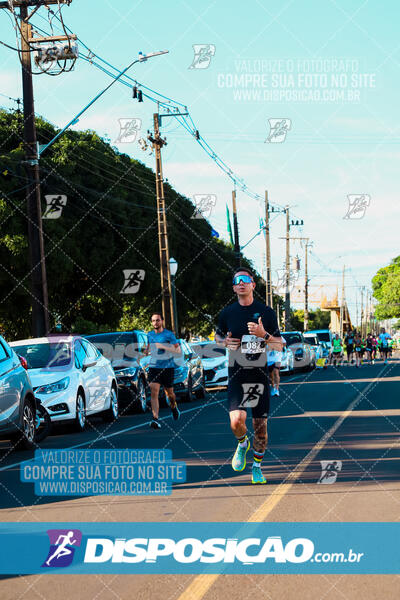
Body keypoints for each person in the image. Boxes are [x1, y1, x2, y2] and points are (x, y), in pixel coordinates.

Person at [215, 267, 283, 485]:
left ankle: (257, 467)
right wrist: (224, 342)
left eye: (245, 279)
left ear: (253, 284)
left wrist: (264, 334)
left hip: (258, 375)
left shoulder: (266, 312)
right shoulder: (227, 313)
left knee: (260, 429)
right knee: (236, 421)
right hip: (236, 372)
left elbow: (280, 346)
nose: (241, 283)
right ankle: (242, 443)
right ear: (234, 287)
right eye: (237, 281)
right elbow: (217, 337)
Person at [146, 313, 181, 429]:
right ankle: (155, 419)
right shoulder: (149, 335)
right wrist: (144, 352)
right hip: (154, 367)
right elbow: (148, 349)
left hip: (167, 368)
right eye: (153, 321)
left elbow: (178, 350)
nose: (155, 323)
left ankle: (173, 407)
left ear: (162, 321)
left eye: (157, 320)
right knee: (154, 391)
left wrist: (163, 346)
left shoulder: (169, 335)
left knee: (170, 393)